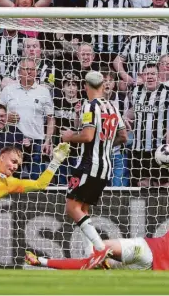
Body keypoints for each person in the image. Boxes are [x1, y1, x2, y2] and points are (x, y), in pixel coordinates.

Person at [60, 71, 127, 265]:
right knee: (83, 210)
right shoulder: (112, 106)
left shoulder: (89, 105)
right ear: (102, 86)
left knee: (72, 208)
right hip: (105, 166)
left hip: (88, 165)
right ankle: (90, 257)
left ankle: (99, 249)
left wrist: (70, 136)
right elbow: (123, 137)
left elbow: (88, 136)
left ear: (85, 86)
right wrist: (104, 144)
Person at [25, 205, 169, 271]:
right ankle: (41, 261)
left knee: (97, 250)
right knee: (97, 263)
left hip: (145, 249)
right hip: (151, 269)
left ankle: (83, 216)